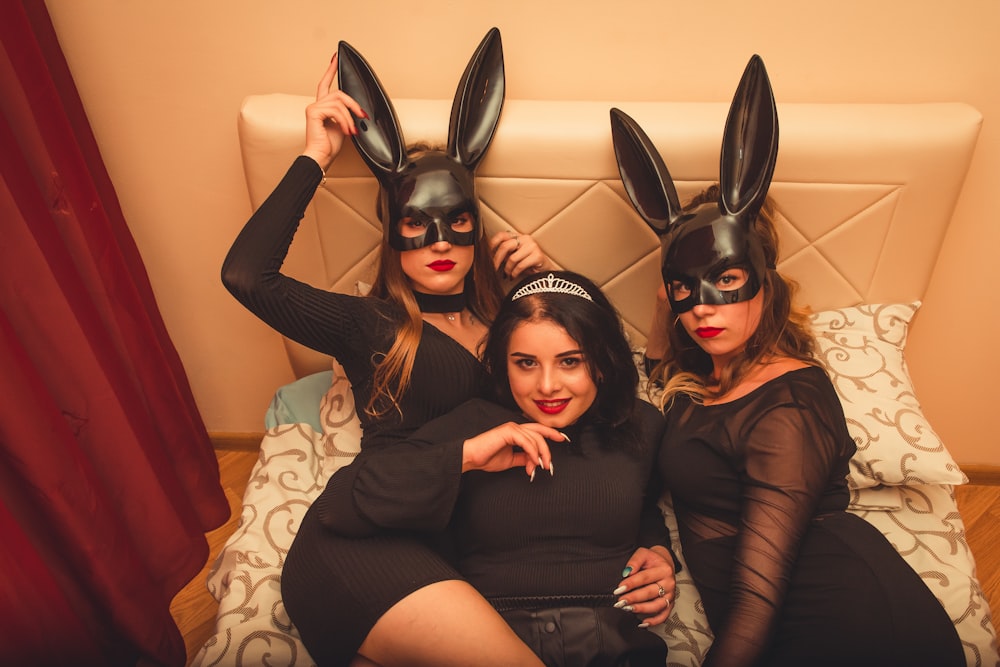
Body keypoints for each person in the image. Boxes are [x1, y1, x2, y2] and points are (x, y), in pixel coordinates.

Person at [222, 29, 565, 667]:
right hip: (365, 539)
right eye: (415, 223)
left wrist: (551, 282)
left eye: (457, 220)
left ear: (476, 225)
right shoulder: (372, 326)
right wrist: (314, 156)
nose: (440, 241)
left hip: (451, 552)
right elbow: (247, 277)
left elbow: (602, 380)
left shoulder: (518, 322)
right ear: (392, 235)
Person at [611, 56, 965, 667]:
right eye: (683, 290)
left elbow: (758, 592)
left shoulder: (790, 405)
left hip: (845, 621)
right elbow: (658, 359)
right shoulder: (703, 381)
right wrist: (665, 252)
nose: (703, 308)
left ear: (765, 283)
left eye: (726, 278)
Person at [318, 270, 676, 666]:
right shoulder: (474, 423)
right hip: (487, 641)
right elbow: (339, 506)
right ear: (503, 364)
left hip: (615, 645)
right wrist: (466, 456)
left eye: (570, 361)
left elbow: (642, 504)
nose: (547, 386)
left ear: (603, 362)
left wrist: (659, 552)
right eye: (526, 363)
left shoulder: (642, 425)